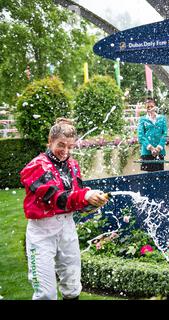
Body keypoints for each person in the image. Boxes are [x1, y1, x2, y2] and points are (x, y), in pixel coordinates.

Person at [20, 118, 109, 300]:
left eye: (70, 147)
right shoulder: (35, 166)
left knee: (72, 285)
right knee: (46, 292)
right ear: (49, 142)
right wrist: (84, 196)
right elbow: (56, 198)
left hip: (67, 227)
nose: (66, 151)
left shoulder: (73, 165)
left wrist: (91, 202)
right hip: (41, 232)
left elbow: (75, 200)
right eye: (61, 145)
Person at [137, 98, 167, 172]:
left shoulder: (162, 118)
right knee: (148, 178)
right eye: (148, 107)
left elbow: (165, 134)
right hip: (147, 152)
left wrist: (158, 148)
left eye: (151, 106)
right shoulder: (142, 119)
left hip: (159, 152)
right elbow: (141, 136)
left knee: (160, 176)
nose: (150, 108)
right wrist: (151, 148)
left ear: (155, 107)